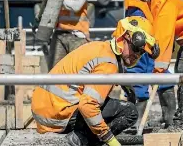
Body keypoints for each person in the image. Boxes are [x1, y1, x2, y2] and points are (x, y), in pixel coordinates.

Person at [31, 16, 160, 146]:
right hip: (57, 114)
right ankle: (80, 139)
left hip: (46, 110)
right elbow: (88, 106)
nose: (137, 55)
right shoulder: (108, 63)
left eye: (142, 52)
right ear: (123, 38)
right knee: (129, 112)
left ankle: (82, 135)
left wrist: (124, 83)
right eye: (136, 49)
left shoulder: (101, 47)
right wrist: (110, 139)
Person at [124, 0, 176, 129]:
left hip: (141, 29)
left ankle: (136, 123)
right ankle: (168, 119)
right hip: (152, 28)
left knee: (138, 74)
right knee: (158, 72)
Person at [39, 0, 91, 71]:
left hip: (77, 36)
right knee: (55, 72)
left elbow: (76, 6)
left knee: (78, 71)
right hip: (59, 34)